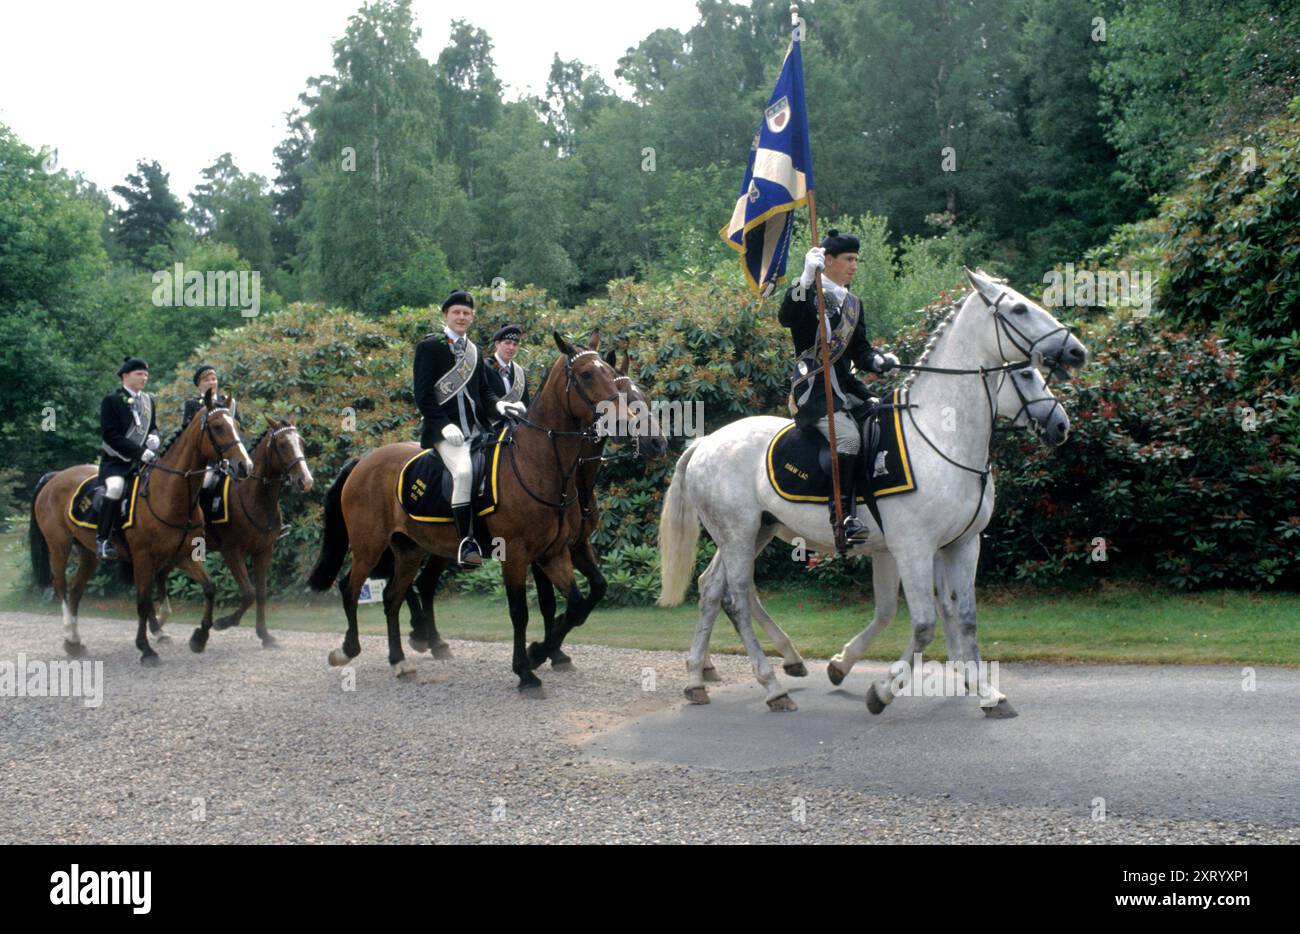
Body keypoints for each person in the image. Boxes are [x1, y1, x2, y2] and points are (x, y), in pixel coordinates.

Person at [778, 229, 899, 545]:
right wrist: (804, 278)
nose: (854, 265)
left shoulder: (853, 304)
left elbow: (861, 352)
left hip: (846, 390)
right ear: (827, 260)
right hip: (814, 392)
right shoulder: (810, 295)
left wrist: (880, 361)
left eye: (856, 259)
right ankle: (842, 518)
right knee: (847, 439)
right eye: (848, 259)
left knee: (885, 417)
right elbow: (786, 317)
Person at [413, 290, 526, 567]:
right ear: (446, 315)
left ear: (472, 317)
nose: (461, 317)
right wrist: (442, 425)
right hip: (445, 434)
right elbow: (423, 395)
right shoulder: (429, 347)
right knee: (463, 472)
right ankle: (467, 542)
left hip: (478, 430)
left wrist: (499, 406)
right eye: (456, 312)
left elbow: (484, 393)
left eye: (466, 313)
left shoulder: (474, 352)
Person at [96, 356, 161, 559]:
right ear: (125, 376)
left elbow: (154, 427)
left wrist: (155, 439)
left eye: (146, 375)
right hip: (116, 463)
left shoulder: (148, 401)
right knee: (115, 489)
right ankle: (103, 540)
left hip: (143, 462)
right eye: (139, 374)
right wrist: (140, 452)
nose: (144, 378)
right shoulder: (111, 400)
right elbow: (110, 435)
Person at [483, 323, 529, 429]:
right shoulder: (485, 366)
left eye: (515, 344)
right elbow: (483, 397)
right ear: (497, 344)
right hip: (489, 427)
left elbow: (525, 402)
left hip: (515, 427)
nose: (511, 347)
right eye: (507, 343)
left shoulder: (519, 372)